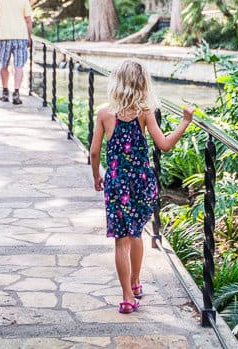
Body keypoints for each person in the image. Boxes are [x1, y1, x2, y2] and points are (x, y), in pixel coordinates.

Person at [89, 60, 194, 314]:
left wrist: (97, 177)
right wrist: (185, 122)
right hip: (140, 183)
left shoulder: (104, 113)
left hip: (115, 183)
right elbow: (164, 145)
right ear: (143, 85)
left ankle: (126, 296)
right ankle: (136, 283)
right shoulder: (144, 113)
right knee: (136, 232)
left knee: (120, 241)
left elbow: (94, 152)